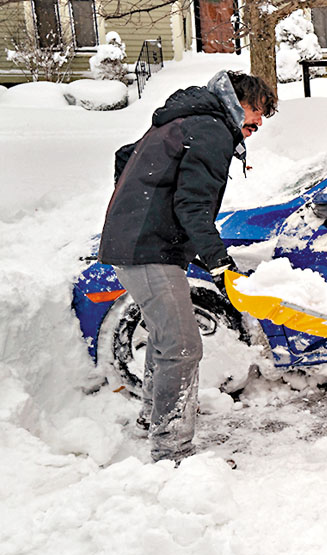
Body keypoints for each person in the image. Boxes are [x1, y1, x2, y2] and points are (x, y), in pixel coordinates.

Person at [98, 70, 278, 463]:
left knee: (166, 340)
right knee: (182, 346)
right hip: (148, 251)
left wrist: (137, 213)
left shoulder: (183, 120)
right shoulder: (211, 129)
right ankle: (172, 451)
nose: (258, 122)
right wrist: (219, 263)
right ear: (235, 101)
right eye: (255, 110)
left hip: (138, 245)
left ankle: (151, 421)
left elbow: (125, 156)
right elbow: (192, 206)